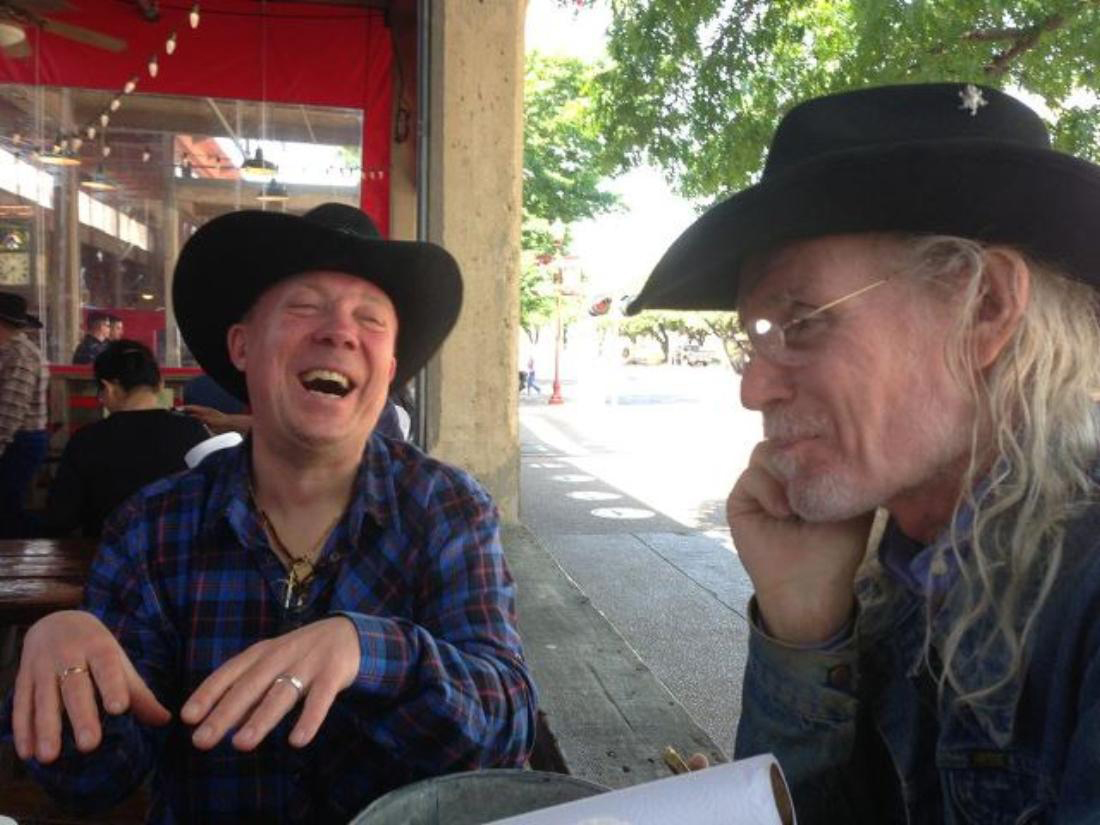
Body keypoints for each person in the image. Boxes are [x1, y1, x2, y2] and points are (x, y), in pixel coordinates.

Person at [627, 83, 1100, 823]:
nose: (754, 388)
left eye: (803, 319)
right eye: (751, 335)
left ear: (986, 308)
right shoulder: (902, 570)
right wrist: (805, 626)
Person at [2, 203, 536, 823]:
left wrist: (369, 650)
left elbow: (508, 727)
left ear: (387, 374)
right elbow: (95, 781)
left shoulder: (448, 509)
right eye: (305, 307)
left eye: (369, 318)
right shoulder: (153, 528)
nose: (339, 331)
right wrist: (66, 666)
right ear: (242, 346)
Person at [45, 340, 209, 538]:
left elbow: (60, 519)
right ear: (160, 384)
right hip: (178, 555)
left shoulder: (86, 440)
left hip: (107, 559)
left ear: (109, 387)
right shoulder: (193, 431)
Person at [0, 291, 48, 538]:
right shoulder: (11, 351)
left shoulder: (19, 355)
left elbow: (9, 412)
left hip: (20, 440)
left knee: (8, 507)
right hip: (18, 438)